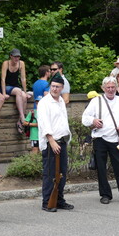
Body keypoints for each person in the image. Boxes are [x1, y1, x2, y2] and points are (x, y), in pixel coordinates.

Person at [82, 76, 119, 205]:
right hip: (99, 138)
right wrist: (93, 121)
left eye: (113, 87)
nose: (111, 90)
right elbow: (85, 117)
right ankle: (105, 195)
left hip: (116, 139)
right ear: (103, 88)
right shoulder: (96, 101)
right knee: (101, 168)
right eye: (108, 87)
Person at [37, 72, 74, 212]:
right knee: (50, 173)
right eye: (52, 86)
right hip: (51, 142)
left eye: (58, 87)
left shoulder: (60, 102)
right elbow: (44, 123)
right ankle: (47, 202)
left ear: (62, 88)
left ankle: (59, 199)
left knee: (61, 173)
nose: (54, 89)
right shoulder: (44, 102)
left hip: (62, 141)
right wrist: (51, 140)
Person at [1, 48, 31, 133]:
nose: (16, 59)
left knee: (24, 96)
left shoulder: (21, 63)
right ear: (11, 56)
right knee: (18, 91)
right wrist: (3, 93)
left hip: (15, 87)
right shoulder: (6, 63)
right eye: (15, 57)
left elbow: (23, 78)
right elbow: (3, 79)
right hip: (6, 86)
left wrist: (25, 92)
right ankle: (22, 117)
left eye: (18, 57)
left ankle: (19, 122)